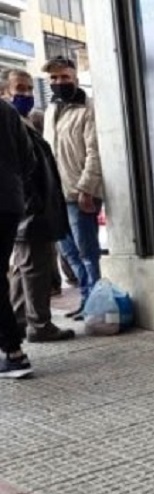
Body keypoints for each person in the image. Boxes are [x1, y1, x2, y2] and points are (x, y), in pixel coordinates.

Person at [2, 69, 74, 342]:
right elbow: (26, 166)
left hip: (29, 207)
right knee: (34, 269)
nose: (26, 94)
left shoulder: (25, 121)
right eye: (19, 88)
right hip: (30, 209)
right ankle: (40, 325)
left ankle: (20, 321)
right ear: (5, 92)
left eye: (30, 88)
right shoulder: (12, 122)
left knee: (23, 269)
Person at [42, 55, 104, 320]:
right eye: (54, 78)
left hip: (80, 194)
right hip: (56, 194)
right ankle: (85, 297)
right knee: (69, 254)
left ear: (75, 78)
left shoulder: (88, 108)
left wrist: (86, 189)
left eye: (64, 77)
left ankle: (95, 303)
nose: (59, 82)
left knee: (87, 253)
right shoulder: (50, 111)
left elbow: (95, 151)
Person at [0, 97, 36, 378]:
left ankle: (14, 352)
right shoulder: (8, 111)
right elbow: (28, 159)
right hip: (10, 202)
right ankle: (13, 350)